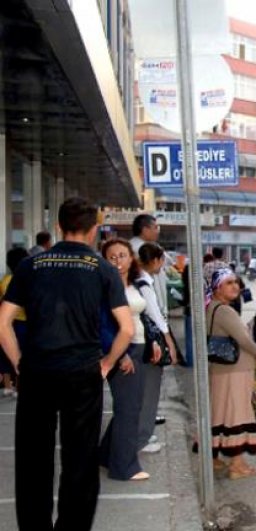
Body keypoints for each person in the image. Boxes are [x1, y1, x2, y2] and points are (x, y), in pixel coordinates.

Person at [0, 197, 134, 531]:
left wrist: (19, 363)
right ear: (94, 231)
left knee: (33, 458)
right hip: (83, 373)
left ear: (59, 226)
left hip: (38, 371)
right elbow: (127, 329)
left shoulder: (30, 266)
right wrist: (106, 364)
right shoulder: (104, 270)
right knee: (80, 458)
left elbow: (2, 322)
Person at [98, 239, 150, 481]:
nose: (118, 261)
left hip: (139, 347)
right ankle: (124, 467)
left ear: (131, 257)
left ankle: (107, 455)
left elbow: (143, 317)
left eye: (122, 255)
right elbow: (103, 326)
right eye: (112, 256)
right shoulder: (104, 286)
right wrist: (119, 355)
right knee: (128, 409)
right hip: (121, 352)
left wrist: (155, 342)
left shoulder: (135, 284)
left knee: (131, 406)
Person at [205, 268, 256, 479]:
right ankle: (237, 465)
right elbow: (243, 339)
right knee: (238, 414)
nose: (235, 286)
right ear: (218, 287)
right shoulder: (226, 311)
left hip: (222, 370)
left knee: (220, 412)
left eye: (236, 282)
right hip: (235, 371)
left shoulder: (212, 307)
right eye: (229, 283)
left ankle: (213, 457)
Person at [130, 214, 171, 431]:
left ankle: (147, 421)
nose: (158, 230)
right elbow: (151, 308)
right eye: (155, 226)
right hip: (146, 329)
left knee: (148, 383)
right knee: (146, 382)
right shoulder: (137, 252)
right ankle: (143, 428)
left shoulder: (148, 248)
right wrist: (167, 338)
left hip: (150, 324)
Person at [136, 243, 178, 454]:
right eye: (161, 260)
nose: (162, 265)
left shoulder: (141, 280)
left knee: (147, 391)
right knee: (150, 391)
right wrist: (170, 342)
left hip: (144, 342)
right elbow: (156, 317)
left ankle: (143, 432)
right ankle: (143, 437)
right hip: (150, 343)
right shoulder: (143, 283)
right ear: (154, 260)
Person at [0, 247, 30, 398]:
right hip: (25, 323)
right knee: (22, 353)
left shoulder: (5, 280)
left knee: (6, 354)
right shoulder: (26, 279)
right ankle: (19, 385)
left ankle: (7, 386)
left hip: (8, 322)